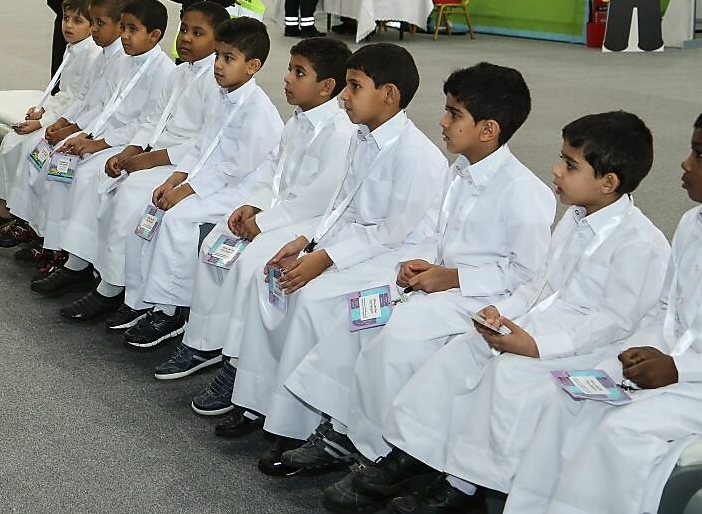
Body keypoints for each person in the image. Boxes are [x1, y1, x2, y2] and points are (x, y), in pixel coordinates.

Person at [358, 111, 669, 514]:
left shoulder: (641, 242)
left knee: (507, 376)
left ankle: (467, 485)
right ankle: (419, 454)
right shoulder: (575, 218)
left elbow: (613, 322)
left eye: (570, 165)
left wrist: (537, 345)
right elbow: (540, 286)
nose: (555, 170)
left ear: (608, 183)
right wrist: (499, 312)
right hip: (540, 322)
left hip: (584, 344)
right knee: (463, 352)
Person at [287, 64, 554, 500]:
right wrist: (421, 263)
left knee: (398, 337)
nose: (442, 122)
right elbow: (440, 233)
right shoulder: (460, 169)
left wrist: (452, 276)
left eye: (453, 114)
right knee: (361, 312)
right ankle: (342, 427)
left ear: (488, 129)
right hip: (440, 284)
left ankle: (379, 453)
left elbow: (526, 276)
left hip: (482, 299)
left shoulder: (525, 192)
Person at [214, 43, 446, 447]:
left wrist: (321, 259)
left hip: (393, 256)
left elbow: (390, 233)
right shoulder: (362, 135)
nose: (345, 95)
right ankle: (258, 396)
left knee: (312, 299)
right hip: (351, 241)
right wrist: (305, 242)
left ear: (389, 94)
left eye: (355, 87)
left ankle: (301, 421)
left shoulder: (417, 155)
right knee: (276, 275)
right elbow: (342, 203)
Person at [503, 115, 702, 514]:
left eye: (699, 154)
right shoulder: (690, 224)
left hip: (694, 379)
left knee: (621, 430)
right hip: (674, 360)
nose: (685, 163)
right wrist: (635, 353)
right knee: (571, 397)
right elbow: (667, 311)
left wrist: (678, 369)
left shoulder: (641, 239)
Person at [167, 37, 354, 396]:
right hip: (275, 210)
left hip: (307, 222)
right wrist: (252, 205)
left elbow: (316, 199)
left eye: (299, 73)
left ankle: (238, 363)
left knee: (254, 261)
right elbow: (273, 170)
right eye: (289, 69)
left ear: (327, 87)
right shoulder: (299, 120)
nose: (286, 78)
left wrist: (263, 222)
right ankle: (203, 340)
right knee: (217, 240)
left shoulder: (339, 133)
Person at [120, 17, 285, 348]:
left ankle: (174, 310)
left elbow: (235, 169)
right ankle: (145, 298)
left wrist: (186, 191)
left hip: (241, 189)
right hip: (208, 178)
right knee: (155, 205)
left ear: (252, 66)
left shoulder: (258, 110)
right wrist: (175, 179)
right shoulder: (220, 95)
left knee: (179, 218)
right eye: (218, 56)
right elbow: (200, 147)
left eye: (228, 58)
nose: (219, 66)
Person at [59, 1, 226, 322]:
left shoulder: (215, 83)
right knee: (106, 185)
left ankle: (124, 293)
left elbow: (201, 142)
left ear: (218, 39)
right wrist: (128, 153)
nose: (186, 38)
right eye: (185, 30)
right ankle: (99, 271)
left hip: (181, 165)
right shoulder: (179, 73)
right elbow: (151, 121)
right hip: (153, 156)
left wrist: (147, 160)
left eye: (197, 33)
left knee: (129, 197)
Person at [25, 0, 175, 296]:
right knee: (61, 160)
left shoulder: (164, 71)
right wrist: (81, 134)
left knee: (86, 176)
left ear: (155, 35)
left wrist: (98, 143)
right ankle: (55, 244)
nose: (125, 36)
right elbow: (104, 106)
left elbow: (145, 125)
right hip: (104, 136)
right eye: (123, 28)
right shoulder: (126, 61)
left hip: (127, 145)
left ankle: (79, 263)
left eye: (132, 29)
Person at [0, 0, 131, 253]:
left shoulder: (124, 61)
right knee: (41, 150)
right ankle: (34, 225)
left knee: (60, 161)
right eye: (65, 19)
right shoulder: (102, 55)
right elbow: (84, 99)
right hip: (85, 125)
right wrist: (58, 123)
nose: (70, 25)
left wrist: (73, 131)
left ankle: (56, 242)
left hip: (106, 136)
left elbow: (121, 116)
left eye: (94, 23)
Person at [0, 0, 101, 238]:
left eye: (77, 21)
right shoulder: (74, 48)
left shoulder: (92, 55)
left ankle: (25, 216)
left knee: (34, 148)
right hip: (64, 114)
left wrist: (44, 122)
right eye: (65, 19)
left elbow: (82, 101)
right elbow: (67, 93)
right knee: (12, 140)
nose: (68, 25)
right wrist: (44, 109)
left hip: (79, 122)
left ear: (93, 26)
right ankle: (10, 207)